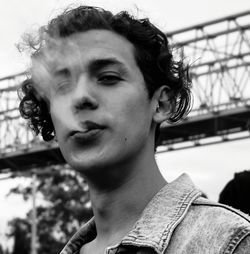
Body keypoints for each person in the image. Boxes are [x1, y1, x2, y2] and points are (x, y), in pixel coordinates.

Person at [18, 5, 250, 254]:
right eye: (62, 85)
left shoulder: (231, 242)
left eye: (108, 77)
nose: (80, 97)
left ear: (161, 103)